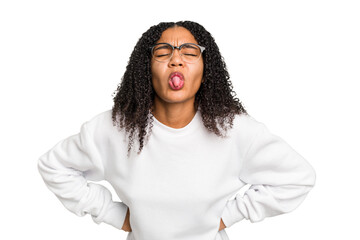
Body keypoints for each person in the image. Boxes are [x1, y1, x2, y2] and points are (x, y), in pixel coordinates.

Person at [38, 21, 316, 240]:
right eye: (162, 52)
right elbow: (54, 167)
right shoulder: (113, 129)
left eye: (189, 52)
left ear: (206, 70)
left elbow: (298, 178)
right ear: (146, 69)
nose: (176, 60)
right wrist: (112, 214)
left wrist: (228, 215)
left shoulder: (234, 130)